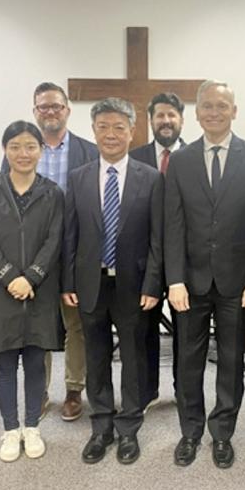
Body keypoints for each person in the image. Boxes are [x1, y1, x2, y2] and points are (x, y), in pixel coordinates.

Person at [165, 80, 245, 469]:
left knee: (231, 362)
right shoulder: (180, 161)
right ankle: (190, 431)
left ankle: (222, 433)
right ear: (197, 113)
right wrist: (173, 279)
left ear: (234, 110)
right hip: (190, 283)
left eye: (222, 106)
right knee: (187, 362)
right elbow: (172, 224)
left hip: (237, 283)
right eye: (207, 106)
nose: (214, 112)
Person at [63, 97, 164, 465]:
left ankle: (128, 428)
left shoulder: (151, 178)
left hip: (134, 286)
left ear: (132, 131)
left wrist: (154, 284)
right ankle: (101, 425)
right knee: (97, 354)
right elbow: (69, 235)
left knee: (135, 358)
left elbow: (158, 239)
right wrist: (67, 282)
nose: (110, 134)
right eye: (103, 127)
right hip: (91, 282)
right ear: (93, 131)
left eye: (118, 127)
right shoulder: (78, 178)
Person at [2, 82, 98, 422]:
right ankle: (38, 392)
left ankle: (74, 391)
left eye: (56, 106)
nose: (50, 112)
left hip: (74, 255)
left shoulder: (90, 151)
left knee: (77, 327)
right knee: (38, 327)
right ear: (34, 112)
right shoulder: (21, 152)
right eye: (43, 107)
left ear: (68, 110)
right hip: (32, 259)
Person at [0, 121, 65, 462]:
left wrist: (32, 277)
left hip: (39, 290)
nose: (23, 153)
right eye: (15, 146)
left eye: (30, 146)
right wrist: (10, 276)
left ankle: (32, 426)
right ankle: (10, 429)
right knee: (4, 364)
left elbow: (54, 240)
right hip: (0, 290)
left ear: (40, 151)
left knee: (35, 362)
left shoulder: (53, 192)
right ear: (5, 150)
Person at [129, 91, 187, 408]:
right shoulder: (134, 158)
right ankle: (146, 390)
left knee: (186, 330)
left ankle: (183, 388)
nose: (166, 121)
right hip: (144, 260)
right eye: (160, 115)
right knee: (143, 330)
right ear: (150, 120)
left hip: (185, 261)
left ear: (181, 119)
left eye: (171, 115)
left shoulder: (195, 156)